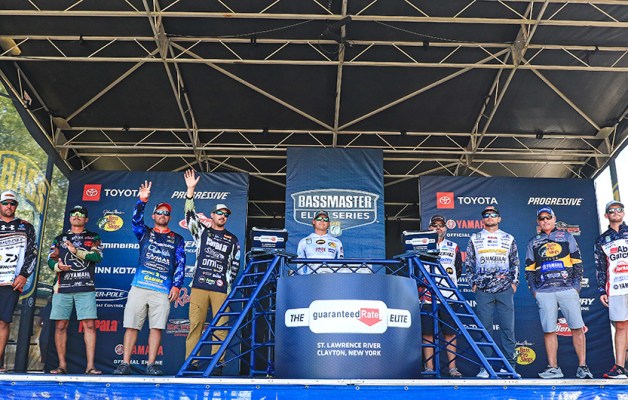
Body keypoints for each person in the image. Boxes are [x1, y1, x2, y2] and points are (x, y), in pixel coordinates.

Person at [113, 181, 185, 375]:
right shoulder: (144, 232)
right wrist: (142, 201)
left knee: (157, 328)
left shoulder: (178, 239)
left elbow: (181, 263)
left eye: (166, 213)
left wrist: (177, 286)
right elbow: (135, 220)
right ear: (153, 216)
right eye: (159, 212)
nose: (163, 215)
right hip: (140, 286)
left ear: (170, 217)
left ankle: (151, 365)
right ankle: (125, 363)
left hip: (162, 289)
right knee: (131, 325)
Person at [525, 206, 593, 379]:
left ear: (554, 219)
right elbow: (529, 269)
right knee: (549, 330)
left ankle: (583, 367)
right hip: (544, 291)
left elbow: (577, 262)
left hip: (567, 289)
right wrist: (534, 290)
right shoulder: (533, 242)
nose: (545, 220)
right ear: (538, 222)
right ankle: (554, 368)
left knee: (577, 327)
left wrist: (576, 286)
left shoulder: (567, 236)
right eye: (542, 218)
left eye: (548, 217)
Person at [183, 169, 240, 372]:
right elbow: (189, 216)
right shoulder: (202, 232)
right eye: (220, 213)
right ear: (212, 215)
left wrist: (228, 285)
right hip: (199, 285)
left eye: (226, 214)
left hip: (220, 289)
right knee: (195, 326)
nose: (223, 216)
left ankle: (218, 364)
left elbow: (235, 265)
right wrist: (190, 191)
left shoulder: (233, 239)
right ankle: (192, 363)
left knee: (220, 328)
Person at [47, 205, 103, 374]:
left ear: (86, 219)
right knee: (60, 326)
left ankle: (90, 366)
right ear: (70, 218)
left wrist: (76, 251)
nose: (77, 216)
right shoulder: (59, 239)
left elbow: (97, 256)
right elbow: (50, 259)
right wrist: (58, 266)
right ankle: (62, 365)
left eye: (81, 214)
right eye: (74, 213)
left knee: (89, 325)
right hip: (63, 286)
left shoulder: (93, 237)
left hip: (85, 286)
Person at [465, 205, 519, 378]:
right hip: (483, 289)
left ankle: (510, 367)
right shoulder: (475, 238)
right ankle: (485, 367)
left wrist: (513, 283)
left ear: (499, 218)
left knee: (508, 328)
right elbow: (469, 263)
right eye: (486, 215)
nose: (490, 217)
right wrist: (473, 283)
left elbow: (515, 262)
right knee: (484, 329)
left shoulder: (508, 238)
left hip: (504, 289)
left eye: (493, 214)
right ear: (483, 219)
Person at [421, 215, 463, 378]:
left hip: (448, 295)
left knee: (450, 333)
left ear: (446, 228)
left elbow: (458, 269)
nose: (438, 228)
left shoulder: (454, 246)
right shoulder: (421, 245)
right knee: (428, 333)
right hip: (427, 295)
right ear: (429, 228)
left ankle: (452, 368)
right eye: (434, 225)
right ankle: (429, 367)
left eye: (441, 225)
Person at [0, 190, 37, 374]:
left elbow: (32, 253)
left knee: (3, 322)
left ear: (16, 206)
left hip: (10, 281)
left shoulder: (26, 226)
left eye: (12, 203)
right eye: (5, 203)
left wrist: (23, 275)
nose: (9, 206)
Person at [594, 200, 628, 379]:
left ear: (623, 212)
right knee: (621, 325)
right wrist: (602, 290)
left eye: (619, 209)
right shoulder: (602, 239)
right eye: (611, 210)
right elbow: (600, 268)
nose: (616, 212)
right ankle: (620, 367)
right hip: (615, 287)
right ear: (606, 215)